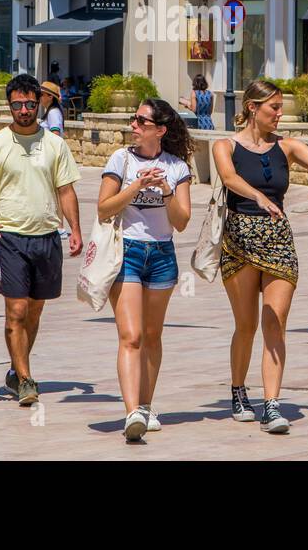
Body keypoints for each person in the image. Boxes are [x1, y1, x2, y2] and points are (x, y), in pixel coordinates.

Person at [211, 80, 308, 433]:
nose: (279, 114)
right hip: (239, 241)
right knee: (246, 325)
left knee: (275, 322)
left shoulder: (287, 146)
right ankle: (238, 390)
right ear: (252, 108)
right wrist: (257, 196)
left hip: (278, 241)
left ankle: (271, 405)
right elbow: (228, 178)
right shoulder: (224, 146)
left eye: (280, 107)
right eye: (273, 107)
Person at [0, 74, 82, 407]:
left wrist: (75, 229)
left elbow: (66, 189)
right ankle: (25, 379)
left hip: (47, 237)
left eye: (30, 104)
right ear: (9, 106)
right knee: (16, 311)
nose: (23, 110)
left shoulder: (54, 144)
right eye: (17, 104)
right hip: (10, 238)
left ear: (40, 104)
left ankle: (16, 368)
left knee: (34, 312)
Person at [97, 99, 194, 441]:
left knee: (152, 336)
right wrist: (135, 186)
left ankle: (147, 405)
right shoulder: (120, 160)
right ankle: (131, 412)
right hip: (128, 253)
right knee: (131, 336)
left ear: (160, 130)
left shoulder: (177, 167)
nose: (134, 125)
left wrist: (165, 190)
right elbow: (103, 209)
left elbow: (181, 222)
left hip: (163, 254)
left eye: (141, 121)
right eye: (134, 119)